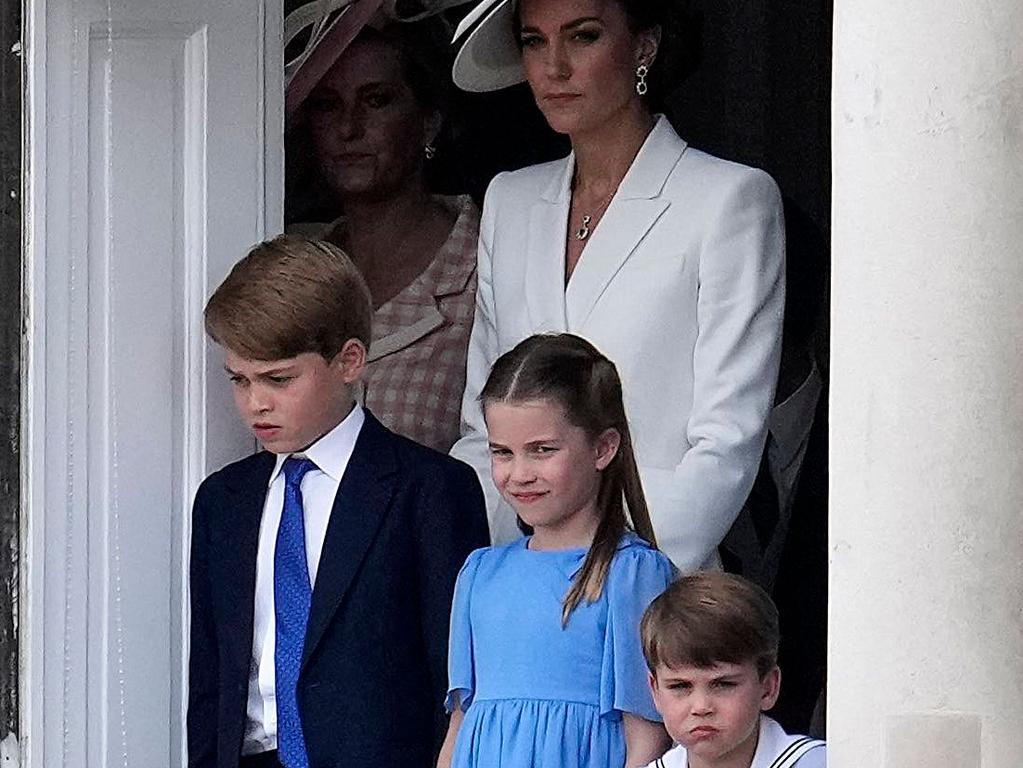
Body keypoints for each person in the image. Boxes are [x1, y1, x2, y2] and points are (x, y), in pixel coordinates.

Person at [448, 0, 786, 571]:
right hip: (517, 585)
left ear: (644, 47)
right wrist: (483, 572)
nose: (554, 66)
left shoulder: (727, 199)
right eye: (534, 41)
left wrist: (617, 573)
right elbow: (483, 429)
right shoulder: (510, 199)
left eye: (583, 37)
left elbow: (726, 443)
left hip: (659, 591)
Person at [187, 235, 489, 768]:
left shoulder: (429, 490)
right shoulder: (223, 502)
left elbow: (458, 677)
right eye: (239, 380)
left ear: (349, 360)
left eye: (279, 379)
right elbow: (212, 679)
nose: (256, 402)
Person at [438, 333, 677, 768]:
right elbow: (460, 726)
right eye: (502, 453)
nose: (519, 473)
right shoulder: (479, 572)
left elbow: (646, 737)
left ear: (603, 448)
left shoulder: (632, 573)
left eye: (542, 450)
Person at [290, 20, 479, 452]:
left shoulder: (485, 263)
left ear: (428, 123)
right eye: (326, 105)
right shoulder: (296, 272)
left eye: (376, 100)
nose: (349, 127)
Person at [639, 572, 826, 768]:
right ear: (655, 691)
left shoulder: (829, 761)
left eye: (723, 684)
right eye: (680, 686)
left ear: (768, 688)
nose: (701, 707)